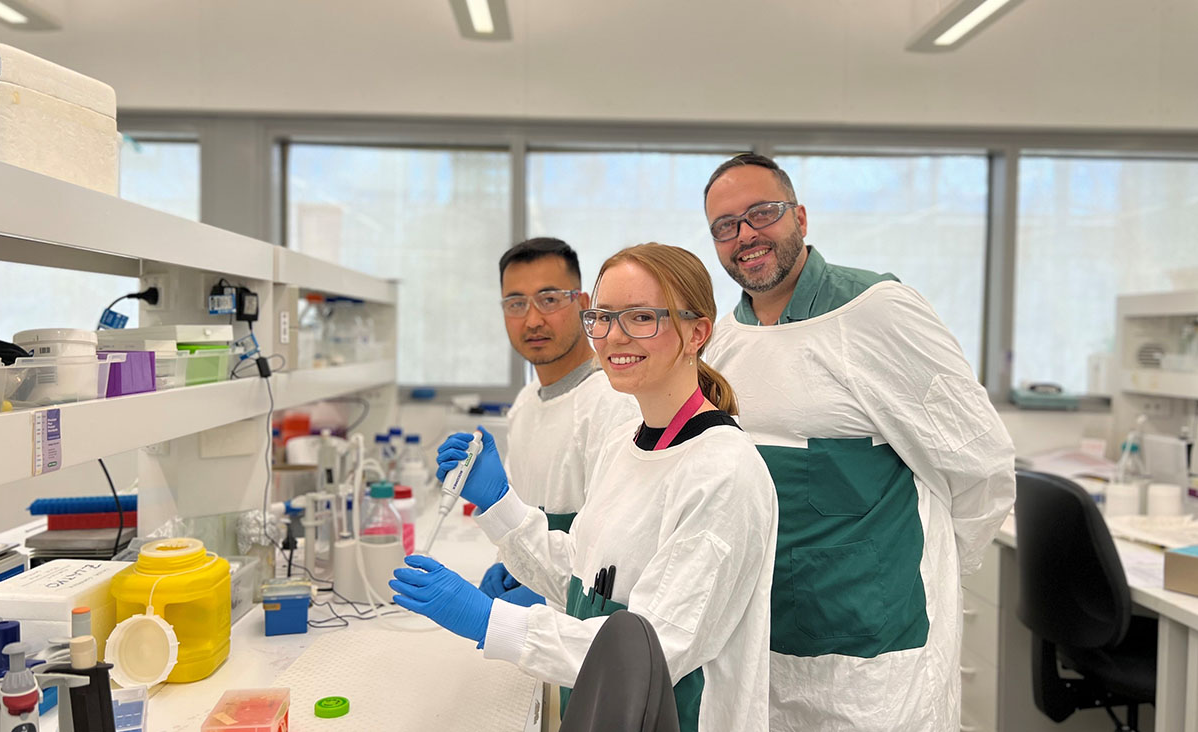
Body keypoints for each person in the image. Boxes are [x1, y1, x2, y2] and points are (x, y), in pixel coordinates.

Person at [391, 243, 778, 732]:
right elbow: (587, 580)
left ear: (697, 332)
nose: (614, 337)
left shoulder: (724, 472)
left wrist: (490, 621)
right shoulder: (627, 443)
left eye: (640, 317)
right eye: (604, 317)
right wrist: (499, 507)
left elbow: (651, 652)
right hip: (604, 709)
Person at [701, 153, 1016, 731]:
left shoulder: (876, 312)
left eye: (761, 214)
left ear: (799, 217)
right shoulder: (722, 343)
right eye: (725, 225)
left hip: (872, 657)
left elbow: (982, 465)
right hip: (762, 644)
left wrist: (940, 571)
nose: (745, 235)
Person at [481, 237, 640, 607]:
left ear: (583, 305)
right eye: (516, 303)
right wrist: (511, 562)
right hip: (534, 631)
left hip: (586, 623)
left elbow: (617, 554)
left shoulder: (614, 402)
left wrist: (547, 596)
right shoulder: (524, 404)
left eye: (549, 299)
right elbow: (524, 518)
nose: (533, 319)